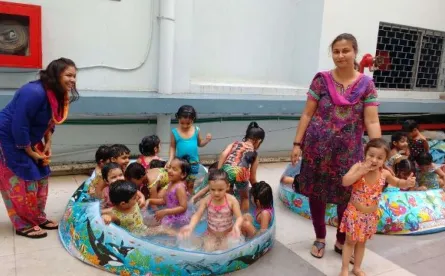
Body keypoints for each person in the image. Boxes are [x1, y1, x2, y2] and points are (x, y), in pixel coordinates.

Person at [290, 33, 382, 259]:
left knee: (347, 195)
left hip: (349, 152)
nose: (340, 56)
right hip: (316, 151)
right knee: (316, 194)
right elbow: (307, 114)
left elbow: (371, 121)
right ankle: (320, 238)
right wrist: (297, 143)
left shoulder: (366, 85)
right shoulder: (321, 80)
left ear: (355, 52)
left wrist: (378, 155)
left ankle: (342, 241)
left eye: (345, 51)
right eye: (336, 51)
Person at [0, 58, 79, 239]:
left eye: (74, 76)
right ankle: (23, 223)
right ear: (55, 75)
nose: (73, 80)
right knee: (21, 179)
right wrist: (29, 151)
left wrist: (47, 142)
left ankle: (37, 217)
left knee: (41, 174)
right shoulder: (33, 92)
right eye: (68, 75)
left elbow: (49, 119)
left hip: (30, 136)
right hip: (10, 136)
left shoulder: (57, 93)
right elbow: (20, 124)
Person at [339, 138, 415, 276]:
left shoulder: (384, 173)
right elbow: (345, 181)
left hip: (370, 215)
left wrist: (407, 183)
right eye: (371, 155)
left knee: (361, 243)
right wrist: (360, 171)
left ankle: (356, 267)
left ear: (385, 159)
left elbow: (397, 182)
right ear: (365, 154)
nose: (374, 160)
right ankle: (344, 269)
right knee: (350, 242)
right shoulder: (358, 167)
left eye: (379, 158)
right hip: (354, 213)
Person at [178, 169, 243, 252]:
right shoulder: (207, 200)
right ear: (209, 187)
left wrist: (236, 226)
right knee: (208, 251)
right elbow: (198, 215)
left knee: (223, 252)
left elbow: (239, 217)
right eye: (213, 189)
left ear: (227, 187)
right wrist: (190, 226)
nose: (216, 193)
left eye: (220, 190)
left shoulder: (232, 200)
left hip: (227, 234)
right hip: (211, 234)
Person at [218, 122, 265, 212]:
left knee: (227, 195)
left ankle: (227, 214)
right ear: (258, 141)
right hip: (242, 172)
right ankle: (242, 218)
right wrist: (258, 190)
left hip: (228, 169)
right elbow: (252, 178)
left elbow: (223, 154)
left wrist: (219, 171)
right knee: (244, 198)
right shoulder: (255, 154)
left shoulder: (234, 144)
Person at [168, 105, 212, 194]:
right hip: (180, 164)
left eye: (188, 123)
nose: (185, 126)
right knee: (179, 184)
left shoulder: (196, 130)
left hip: (193, 163)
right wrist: (170, 160)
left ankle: (189, 202)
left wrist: (206, 140)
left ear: (193, 120)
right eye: (182, 123)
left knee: (190, 185)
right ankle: (179, 199)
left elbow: (200, 144)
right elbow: (172, 147)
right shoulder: (175, 132)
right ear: (178, 119)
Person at [149, 157, 192, 228]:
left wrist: (165, 211)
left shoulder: (179, 187)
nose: (169, 171)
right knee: (152, 226)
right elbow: (164, 201)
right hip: (170, 215)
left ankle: (173, 233)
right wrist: (150, 200)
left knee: (155, 230)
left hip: (178, 219)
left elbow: (183, 207)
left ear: (183, 174)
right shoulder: (171, 184)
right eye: (170, 167)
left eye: (174, 169)